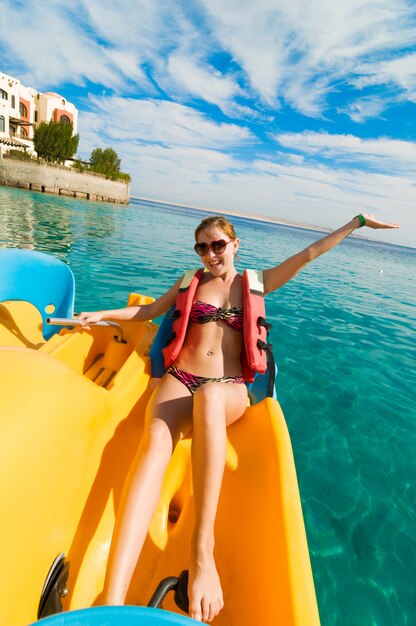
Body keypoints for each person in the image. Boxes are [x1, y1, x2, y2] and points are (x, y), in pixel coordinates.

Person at [78, 212, 399, 622]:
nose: (210, 254)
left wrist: (356, 224)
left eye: (217, 245)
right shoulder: (187, 283)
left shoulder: (255, 283)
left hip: (227, 386)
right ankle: (112, 598)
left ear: (235, 244)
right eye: (202, 247)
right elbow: (150, 313)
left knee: (211, 397)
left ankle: (202, 552)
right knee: (153, 444)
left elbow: (309, 254)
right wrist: (100, 314)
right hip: (180, 377)